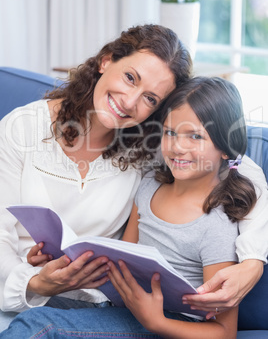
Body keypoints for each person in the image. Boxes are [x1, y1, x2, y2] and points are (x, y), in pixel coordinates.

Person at [0, 76, 260, 338]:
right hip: (121, 306)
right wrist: (60, 258)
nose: (178, 147)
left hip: (169, 324)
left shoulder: (216, 225)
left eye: (195, 136)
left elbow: (224, 332)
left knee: (41, 326)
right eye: (170, 132)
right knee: (29, 303)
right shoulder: (150, 185)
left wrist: (156, 322)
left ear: (227, 148)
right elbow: (122, 260)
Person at [0, 24, 192, 331]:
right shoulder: (23, 128)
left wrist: (250, 262)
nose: (130, 102)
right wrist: (36, 282)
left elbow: (231, 160)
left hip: (88, 309)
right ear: (106, 60)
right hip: (15, 292)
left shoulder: (148, 148)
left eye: (150, 99)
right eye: (130, 78)